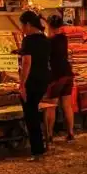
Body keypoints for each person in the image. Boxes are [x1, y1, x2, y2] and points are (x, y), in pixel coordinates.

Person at [18, 11, 51, 160]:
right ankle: (40, 147)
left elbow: (27, 62)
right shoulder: (45, 39)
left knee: (31, 115)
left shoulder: (28, 40)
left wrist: (22, 84)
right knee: (35, 113)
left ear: (28, 24)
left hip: (32, 80)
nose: (22, 29)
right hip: (44, 79)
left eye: (22, 26)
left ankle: (37, 151)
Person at [44, 15, 75, 143]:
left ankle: (49, 135)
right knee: (67, 105)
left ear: (49, 25)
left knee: (51, 106)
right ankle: (70, 133)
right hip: (68, 73)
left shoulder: (48, 41)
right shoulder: (63, 38)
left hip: (56, 76)